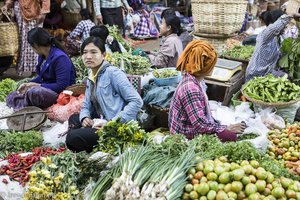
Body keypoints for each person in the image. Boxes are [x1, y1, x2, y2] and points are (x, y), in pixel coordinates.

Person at [65, 36, 143, 152]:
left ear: (104, 55)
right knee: (74, 118)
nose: (88, 56)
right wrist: (85, 118)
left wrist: (111, 124)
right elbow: (86, 104)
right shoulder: (91, 75)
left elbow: (137, 101)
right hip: (102, 120)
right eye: (85, 52)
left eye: (93, 52)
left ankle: (102, 144)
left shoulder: (114, 74)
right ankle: (88, 138)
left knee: (72, 137)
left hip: (117, 127)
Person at [169, 40, 246, 142]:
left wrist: (221, 126)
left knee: (227, 129)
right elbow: (201, 125)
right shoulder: (191, 89)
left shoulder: (195, 79)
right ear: (205, 67)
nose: (214, 67)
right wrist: (225, 128)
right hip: (183, 135)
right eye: (212, 64)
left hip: (191, 126)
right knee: (231, 136)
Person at [6, 27, 76, 110]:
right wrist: (28, 84)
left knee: (35, 92)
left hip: (61, 94)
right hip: (47, 89)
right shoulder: (42, 56)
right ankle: (25, 103)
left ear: (35, 45)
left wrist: (37, 85)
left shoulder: (60, 58)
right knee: (13, 94)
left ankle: (23, 104)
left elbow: (61, 86)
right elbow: (41, 77)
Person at [245, 10, 300, 82]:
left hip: (268, 74)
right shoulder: (265, 36)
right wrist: (291, 15)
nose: (286, 26)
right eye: (284, 25)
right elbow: (274, 28)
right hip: (255, 76)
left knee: (288, 77)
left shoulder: (279, 38)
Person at [1, 0, 50, 76]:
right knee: (22, 42)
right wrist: (7, 5)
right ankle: (24, 69)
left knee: (34, 40)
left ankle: (36, 70)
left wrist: (43, 12)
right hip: (20, 12)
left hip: (33, 11)